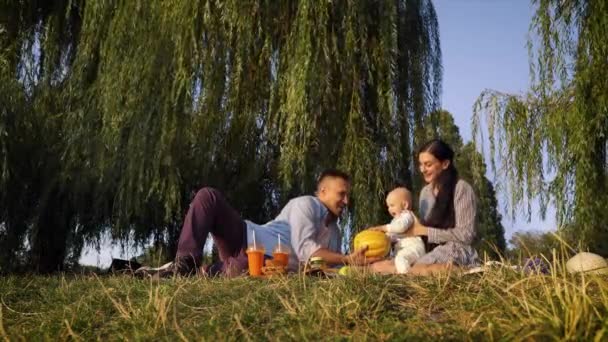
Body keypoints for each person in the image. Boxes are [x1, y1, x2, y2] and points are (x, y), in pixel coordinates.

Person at [138, 169, 378, 278]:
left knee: (250, 268)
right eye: (341, 194)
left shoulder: (334, 232)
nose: (346, 201)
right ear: (323, 191)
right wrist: (347, 258)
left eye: (348, 196)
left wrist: (367, 263)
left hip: (268, 265)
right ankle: (186, 263)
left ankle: (206, 273)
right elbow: (309, 252)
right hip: (247, 236)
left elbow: (322, 269)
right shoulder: (307, 204)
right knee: (208, 197)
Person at [371, 139, 479, 276]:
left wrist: (425, 231)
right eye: (420, 165)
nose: (422, 169)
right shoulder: (425, 193)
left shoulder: (461, 188)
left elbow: (466, 235)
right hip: (431, 251)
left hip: (457, 250)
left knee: (414, 270)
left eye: (428, 164)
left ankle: (464, 271)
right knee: (388, 265)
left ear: (445, 164)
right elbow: (418, 232)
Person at [366, 186, 425, 274]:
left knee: (400, 259)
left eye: (392, 205)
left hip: (413, 248)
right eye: (388, 206)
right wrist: (381, 236)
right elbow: (392, 235)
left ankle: (408, 278)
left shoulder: (407, 215)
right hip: (403, 250)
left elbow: (400, 227)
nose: (389, 209)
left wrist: (383, 228)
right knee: (389, 262)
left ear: (405, 205)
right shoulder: (395, 221)